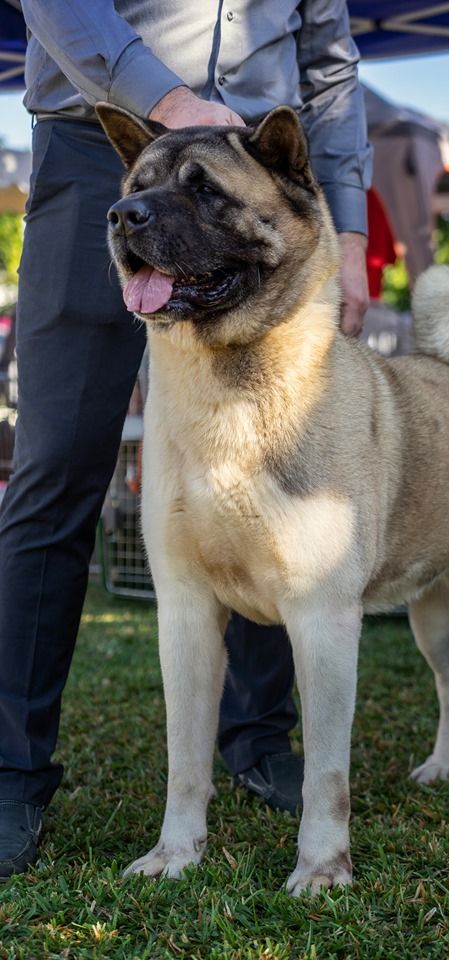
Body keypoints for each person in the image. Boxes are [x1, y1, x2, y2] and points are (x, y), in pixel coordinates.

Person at [0, 1, 372, 878]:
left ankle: (253, 737)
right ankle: (13, 770)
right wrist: (165, 101)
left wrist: (347, 222)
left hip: (258, 179)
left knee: (270, 471)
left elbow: (330, 63)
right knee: (56, 469)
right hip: (107, 149)